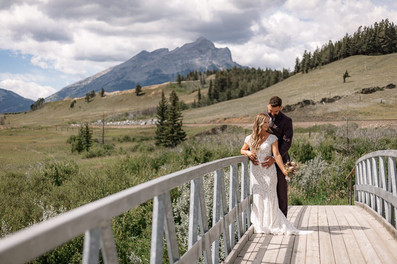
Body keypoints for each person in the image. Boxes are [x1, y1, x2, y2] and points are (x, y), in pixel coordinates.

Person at [241, 113, 308, 235]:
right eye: (265, 122)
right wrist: (248, 153)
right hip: (256, 173)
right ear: (258, 123)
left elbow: (276, 155)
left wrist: (283, 170)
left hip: (269, 172)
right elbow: (242, 149)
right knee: (258, 196)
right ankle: (260, 224)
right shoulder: (249, 138)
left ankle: (271, 224)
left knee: (270, 196)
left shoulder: (272, 138)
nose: (267, 125)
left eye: (268, 122)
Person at [261, 96, 292, 217]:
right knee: (265, 189)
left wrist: (275, 158)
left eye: (275, 111)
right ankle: (268, 218)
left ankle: (283, 219)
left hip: (280, 158)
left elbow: (287, 142)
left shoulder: (286, 121)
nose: (272, 114)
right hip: (263, 158)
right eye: (270, 111)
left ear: (281, 108)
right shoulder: (262, 117)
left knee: (281, 190)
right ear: (267, 105)